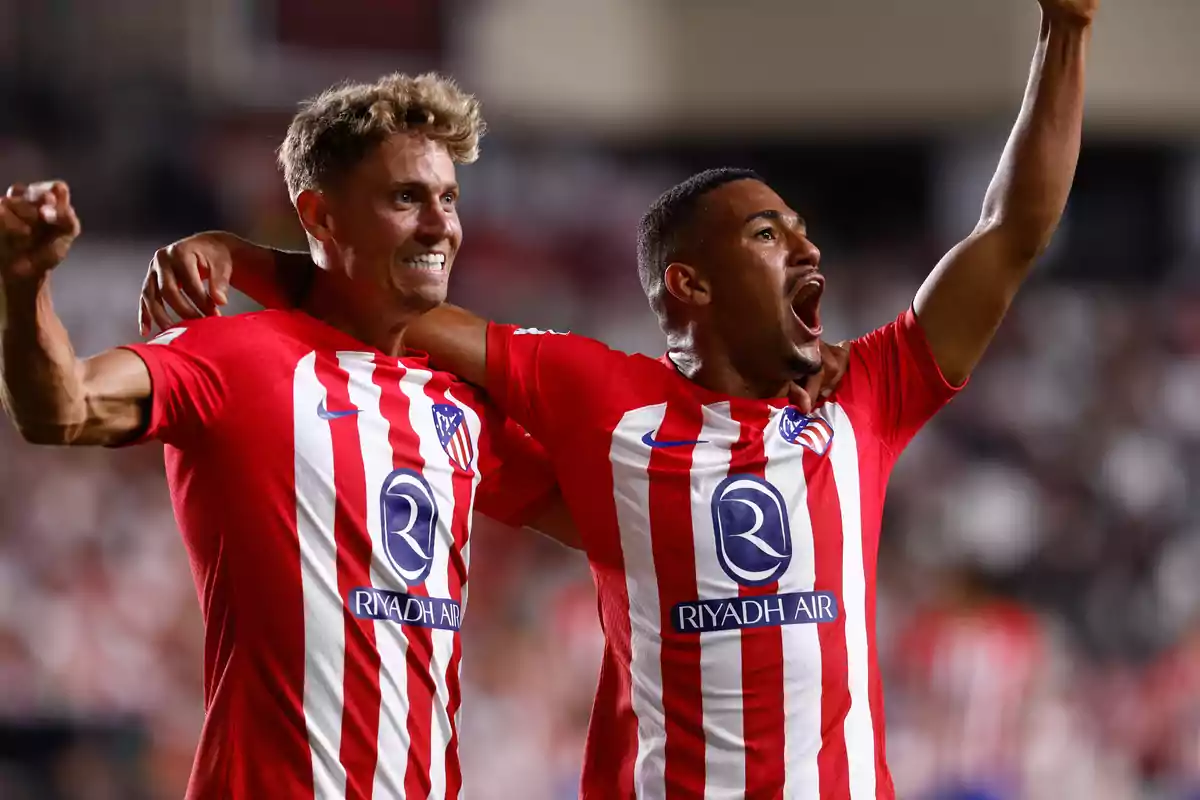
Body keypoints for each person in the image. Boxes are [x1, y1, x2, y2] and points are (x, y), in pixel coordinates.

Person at [143, 0, 1096, 795]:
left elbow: (1011, 232)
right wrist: (241, 258)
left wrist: (1067, 29)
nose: (807, 251)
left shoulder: (866, 399)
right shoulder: (601, 399)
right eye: (768, 234)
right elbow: (383, 298)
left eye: (802, 232)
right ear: (690, 284)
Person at [0, 73, 585, 800]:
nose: (441, 224)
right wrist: (24, 287)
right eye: (406, 197)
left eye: (449, 198)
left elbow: (612, 524)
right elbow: (60, 409)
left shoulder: (453, 404)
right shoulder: (234, 358)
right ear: (322, 216)